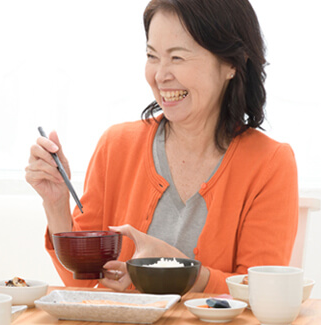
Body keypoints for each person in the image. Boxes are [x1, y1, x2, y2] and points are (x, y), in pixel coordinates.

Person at [26, 0, 298, 294]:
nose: (160, 75)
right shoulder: (116, 146)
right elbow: (83, 280)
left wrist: (179, 270)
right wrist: (56, 204)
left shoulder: (270, 163)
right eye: (152, 56)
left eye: (177, 58)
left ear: (230, 63)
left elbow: (262, 291)